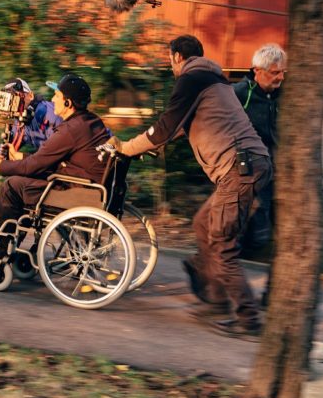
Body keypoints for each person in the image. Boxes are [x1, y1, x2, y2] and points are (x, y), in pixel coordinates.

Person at [107, 35, 272, 340]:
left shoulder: (191, 77)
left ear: (177, 57)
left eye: (170, 60)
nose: (170, 65)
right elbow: (182, 127)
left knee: (223, 244)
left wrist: (127, 147)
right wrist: (150, 146)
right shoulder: (214, 80)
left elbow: (165, 127)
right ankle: (215, 299)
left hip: (239, 169)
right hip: (248, 165)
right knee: (202, 223)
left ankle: (249, 319)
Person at [0, 74, 109, 256]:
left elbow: (39, 162)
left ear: (68, 103)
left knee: (14, 185)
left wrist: (0, 166)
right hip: (76, 176)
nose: (53, 98)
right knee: (21, 182)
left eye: (57, 95)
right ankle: (10, 246)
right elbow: (10, 156)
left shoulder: (57, 119)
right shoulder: (88, 120)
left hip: (73, 185)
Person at [233, 43, 287, 306]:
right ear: (257, 71)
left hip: (278, 178)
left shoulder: (284, 96)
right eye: (275, 72)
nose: (280, 77)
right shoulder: (240, 93)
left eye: (282, 72)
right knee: (250, 236)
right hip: (248, 176)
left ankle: (271, 297)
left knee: (276, 240)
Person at [0, 78, 62, 189]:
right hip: (49, 168)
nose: (14, 103)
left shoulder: (50, 112)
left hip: (64, 171)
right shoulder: (21, 123)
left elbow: (53, 157)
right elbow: (1, 155)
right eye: (10, 99)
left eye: (17, 97)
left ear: (31, 96)